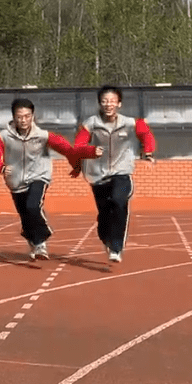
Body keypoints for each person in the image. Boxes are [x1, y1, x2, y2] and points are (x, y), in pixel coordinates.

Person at [0, 98, 99, 261]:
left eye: (27, 116)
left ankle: (42, 240)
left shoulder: (42, 136)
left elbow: (66, 149)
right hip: (15, 181)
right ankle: (35, 241)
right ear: (13, 117)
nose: (23, 120)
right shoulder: (4, 136)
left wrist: (76, 166)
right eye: (20, 117)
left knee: (33, 205)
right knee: (25, 216)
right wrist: (1, 167)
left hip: (39, 176)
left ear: (33, 116)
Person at [68, 85, 156, 263]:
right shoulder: (90, 124)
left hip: (121, 172)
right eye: (105, 101)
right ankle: (106, 236)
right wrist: (91, 151)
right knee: (104, 213)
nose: (109, 104)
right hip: (97, 174)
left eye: (112, 101)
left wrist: (148, 153)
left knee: (118, 201)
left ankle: (116, 246)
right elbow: (79, 146)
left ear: (119, 103)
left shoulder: (130, 123)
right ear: (100, 103)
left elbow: (146, 135)